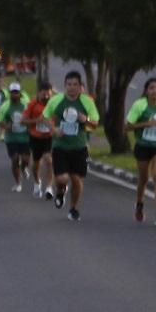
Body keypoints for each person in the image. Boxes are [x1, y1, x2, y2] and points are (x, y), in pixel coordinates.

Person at [43, 70, 100, 221]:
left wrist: (85, 119)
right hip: (60, 146)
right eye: (69, 84)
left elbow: (95, 123)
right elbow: (45, 117)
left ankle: (73, 208)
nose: (72, 87)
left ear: (80, 86)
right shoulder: (56, 100)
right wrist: (53, 129)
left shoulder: (87, 102)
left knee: (76, 180)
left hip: (79, 147)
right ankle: (61, 191)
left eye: (75, 84)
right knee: (62, 179)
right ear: (65, 85)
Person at [124, 76, 156, 223]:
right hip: (143, 145)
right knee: (144, 178)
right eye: (151, 88)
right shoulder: (140, 105)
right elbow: (127, 127)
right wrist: (147, 124)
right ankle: (139, 204)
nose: (154, 91)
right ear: (146, 91)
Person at [0, 82, 32, 191]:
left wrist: (28, 124)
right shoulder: (5, 106)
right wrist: (6, 126)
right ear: (10, 93)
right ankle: (18, 183)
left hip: (25, 136)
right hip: (11, 137)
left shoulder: (26, 104)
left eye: (16, 92)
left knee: (26, 159)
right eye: (12, 92)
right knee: (15, 159)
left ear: (20, 93)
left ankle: (24, 167)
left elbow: (33, 117)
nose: (14, 94)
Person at [25, 80, 57, 199]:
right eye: (43, 93)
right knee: (35, 164)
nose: (45, 95)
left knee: (49, 160)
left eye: (48, 93)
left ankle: (49, 188)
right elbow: (23, 120)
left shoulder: (54, 104)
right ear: (39, 93)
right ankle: (37, 182)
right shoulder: (32, 104)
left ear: (51, 93)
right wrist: (36, 121)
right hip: (35, 137)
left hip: (49, 137)